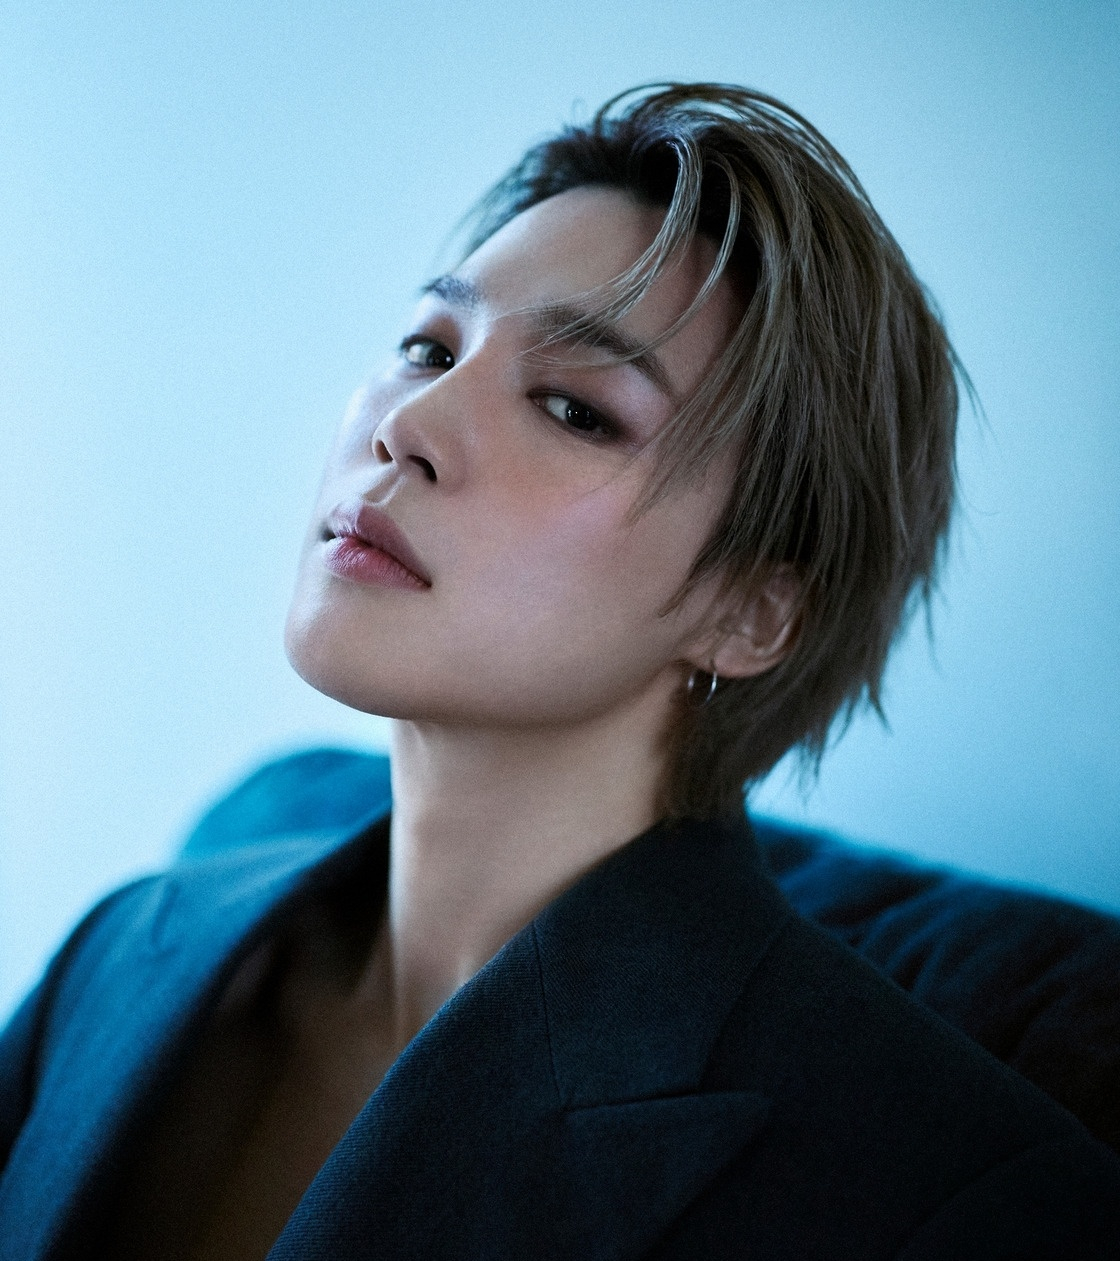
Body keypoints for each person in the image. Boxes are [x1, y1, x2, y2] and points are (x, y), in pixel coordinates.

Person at [1, 83, 1118, 1260]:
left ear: (749, 611)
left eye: (574, 408)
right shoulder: (130, 944)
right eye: (429, 347)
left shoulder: (950, 1197)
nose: (408, 426)